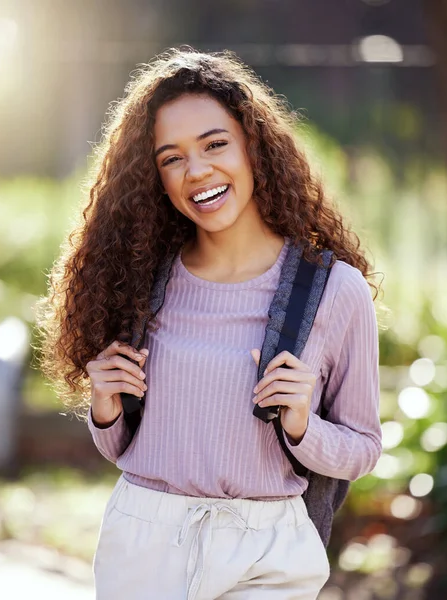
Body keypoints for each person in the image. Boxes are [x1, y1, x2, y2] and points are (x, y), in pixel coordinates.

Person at [38, 48, 382, 600]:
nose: (197, 171)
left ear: (254, 146)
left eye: (215, 144)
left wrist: (302, 425)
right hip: (144, 541)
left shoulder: (331, 290)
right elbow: (127, 447)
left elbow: (362, 446)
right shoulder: (139, 281)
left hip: (267, 550)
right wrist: (105, 408)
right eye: (171, 158)